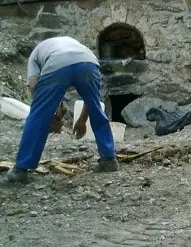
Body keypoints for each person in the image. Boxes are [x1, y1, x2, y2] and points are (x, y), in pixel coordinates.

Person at [5, 37, 118, 183]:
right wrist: (81, 120)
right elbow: (91, 101)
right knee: (96, 107)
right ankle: (109, 160)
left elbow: (33, 85)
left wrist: (50, 117)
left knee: (37, 115)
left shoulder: (35, 55)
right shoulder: (72, 43)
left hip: (57, 64)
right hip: (88, 61)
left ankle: (21, 168)